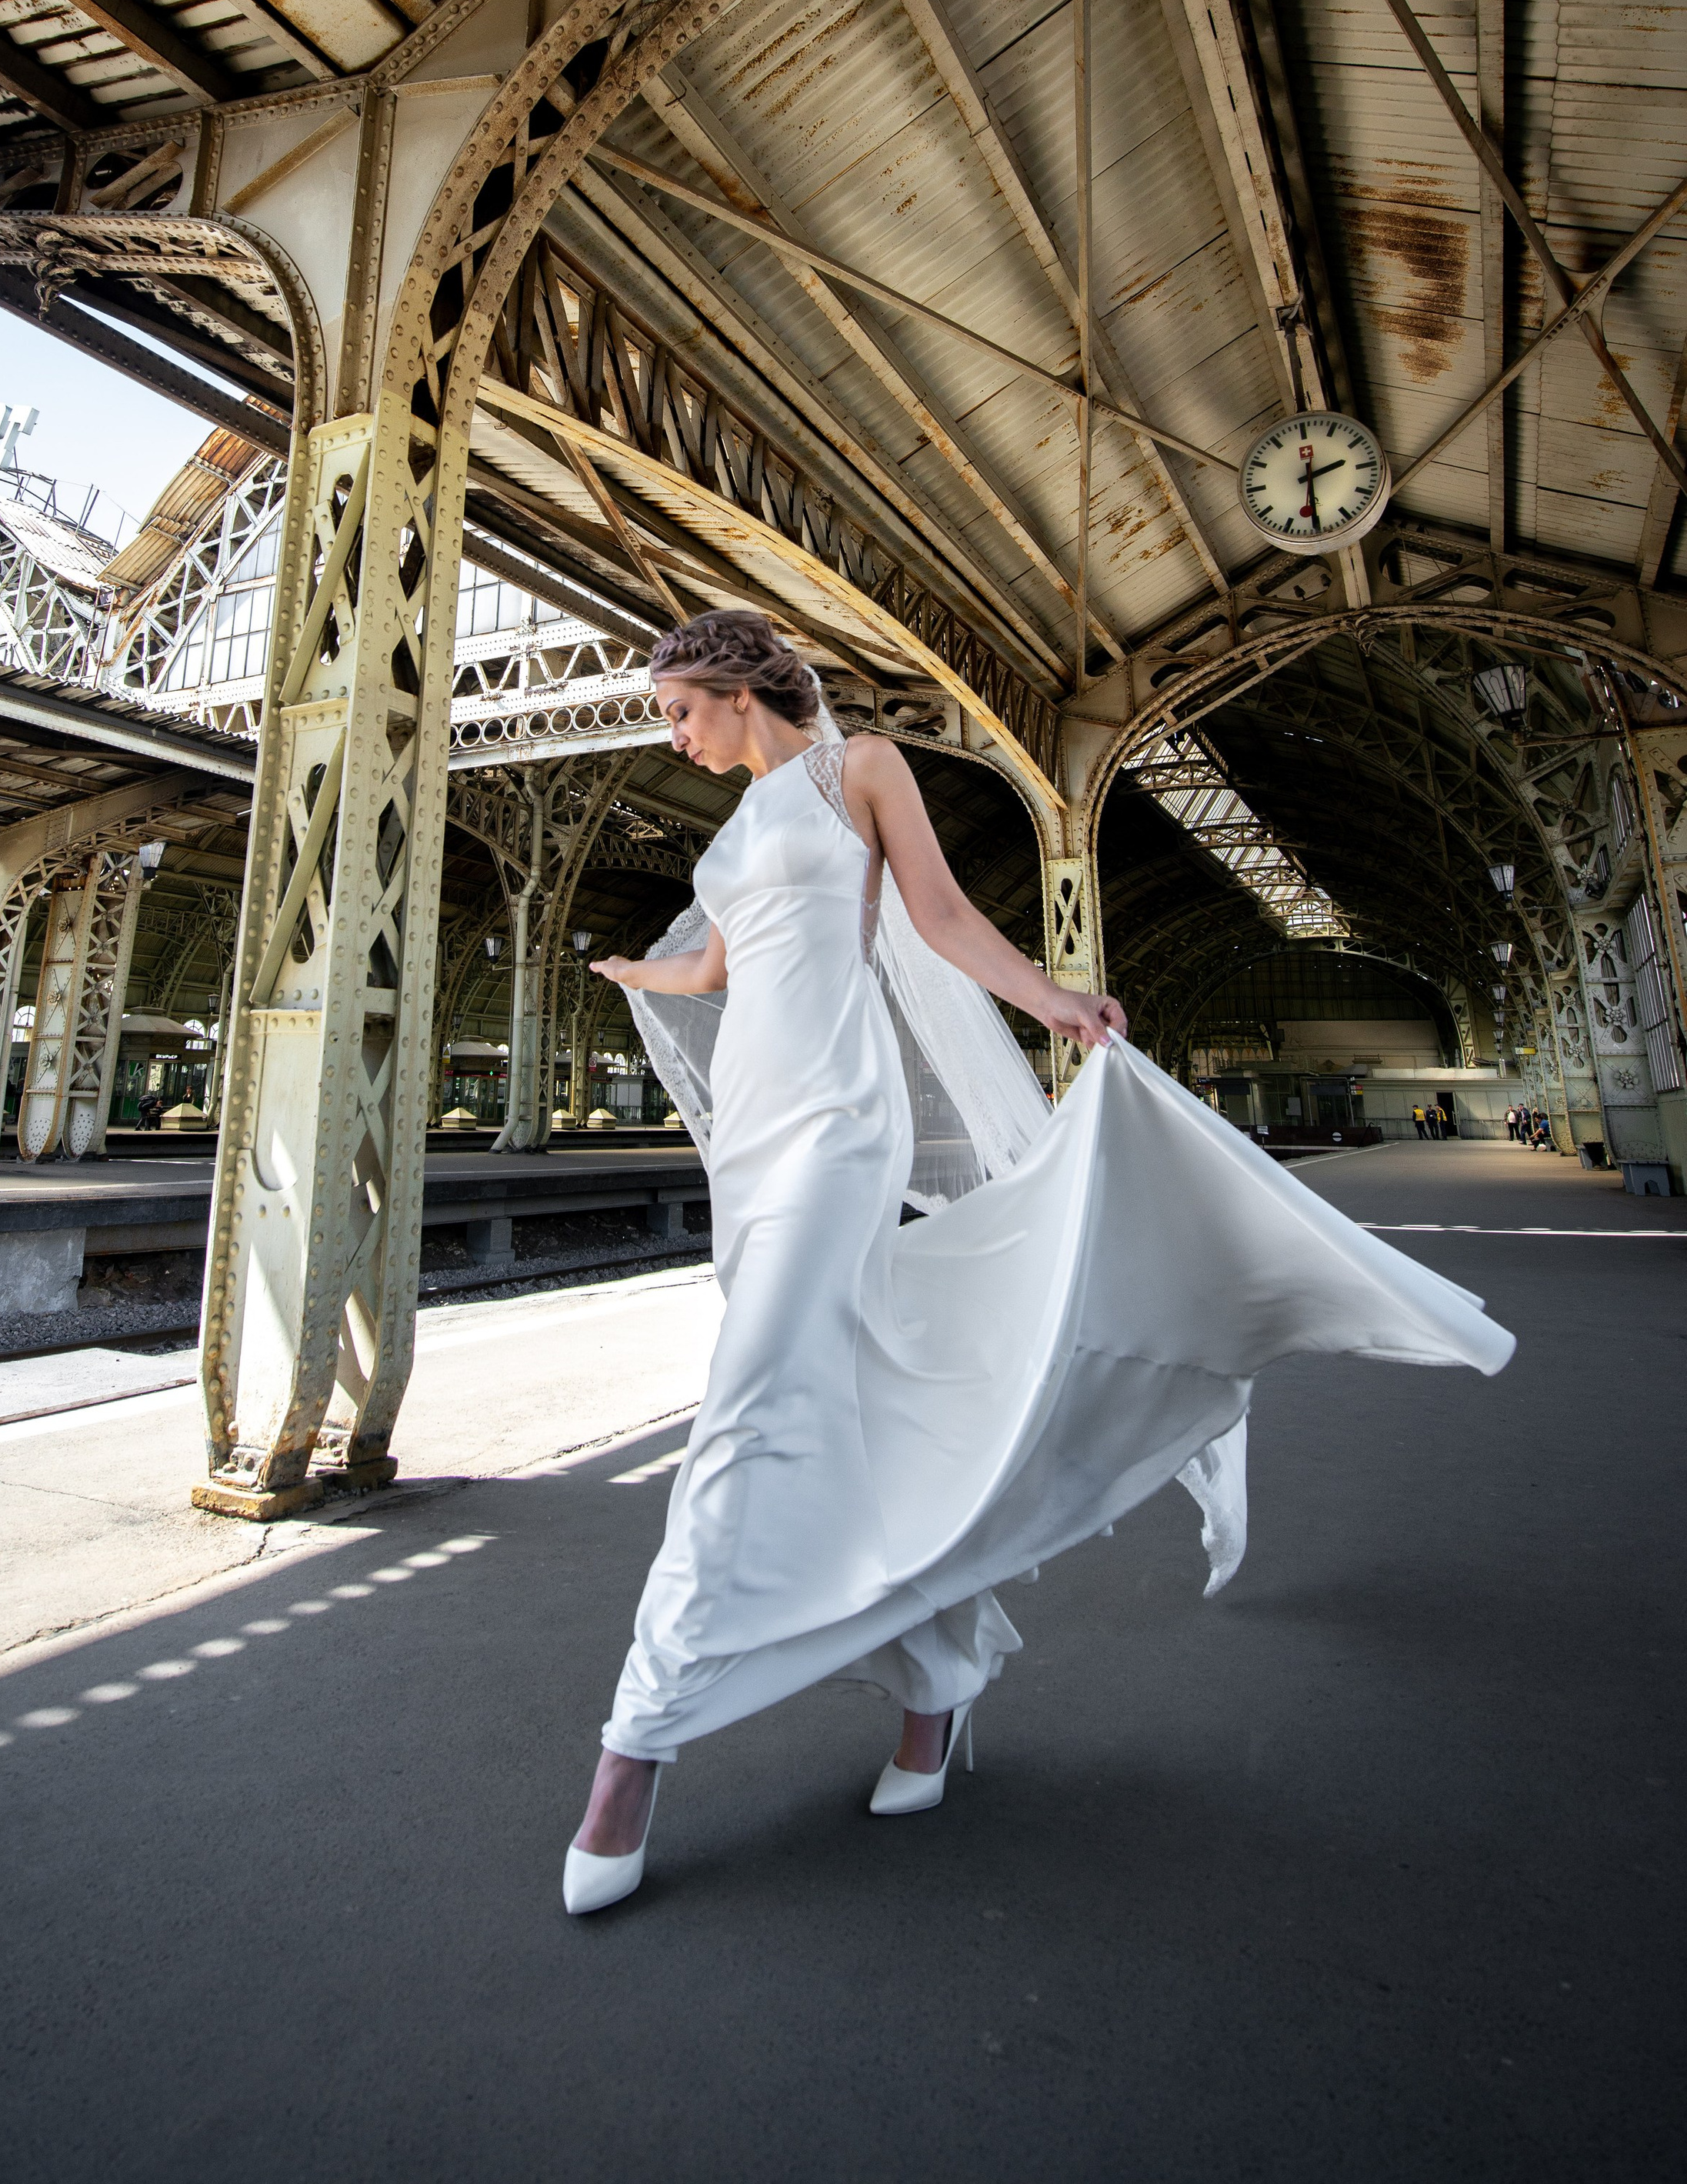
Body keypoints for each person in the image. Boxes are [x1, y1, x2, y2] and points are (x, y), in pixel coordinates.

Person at [563, 611, 1516, 1916]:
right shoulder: (730, 833)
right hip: (759, 1129)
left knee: (744, 1408)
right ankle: (937, 1694)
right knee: (851, 1406)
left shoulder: (862, 770)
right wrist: (641, 971)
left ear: (736, 688)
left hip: (840, 1121)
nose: (670, 735)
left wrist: (1059, 1003)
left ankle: (632, 1752)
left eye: (678, 708)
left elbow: (943, 917)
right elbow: (718, 965)